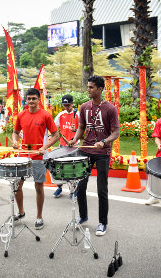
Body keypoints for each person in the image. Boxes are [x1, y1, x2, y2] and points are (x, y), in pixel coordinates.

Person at [68, 75, 120, 236]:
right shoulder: (84, 107)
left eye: (91, 87)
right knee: (80, 187)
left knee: (101, 189)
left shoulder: (110, 108)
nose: (88, 90)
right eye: (88, 87)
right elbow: (81, 127)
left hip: (102, 153)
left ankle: (102, 222)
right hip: (86, 150)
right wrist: (75, 139)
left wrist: (104, 141)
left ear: (100, 89)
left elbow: (116, 132)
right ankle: (83, 216)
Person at [12, 88, 60, 230]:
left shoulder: (45, 116)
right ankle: (21, 212)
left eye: (34, 98)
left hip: (39, 156)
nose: (31, 101)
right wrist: (15, 141)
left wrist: (45, 147)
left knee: (38, 187)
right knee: (17, 186)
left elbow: (56, 135)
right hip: (23, 156)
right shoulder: (21, 115)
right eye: (29, 99)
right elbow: (15, 132)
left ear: (39, 100)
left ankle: (39, 217)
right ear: (25, 100)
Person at [52, 94, 79, 198]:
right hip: (63, 145)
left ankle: (74, 189)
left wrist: (75, 130)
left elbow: (84, 131)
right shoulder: (60, 115)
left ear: (72, 103)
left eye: (68, 105)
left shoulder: (78, 115)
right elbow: (54, 128)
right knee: (60, 168)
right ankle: (59, 188)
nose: (66, 107)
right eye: (64, 105)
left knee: (74, 168)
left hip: (74, 146)